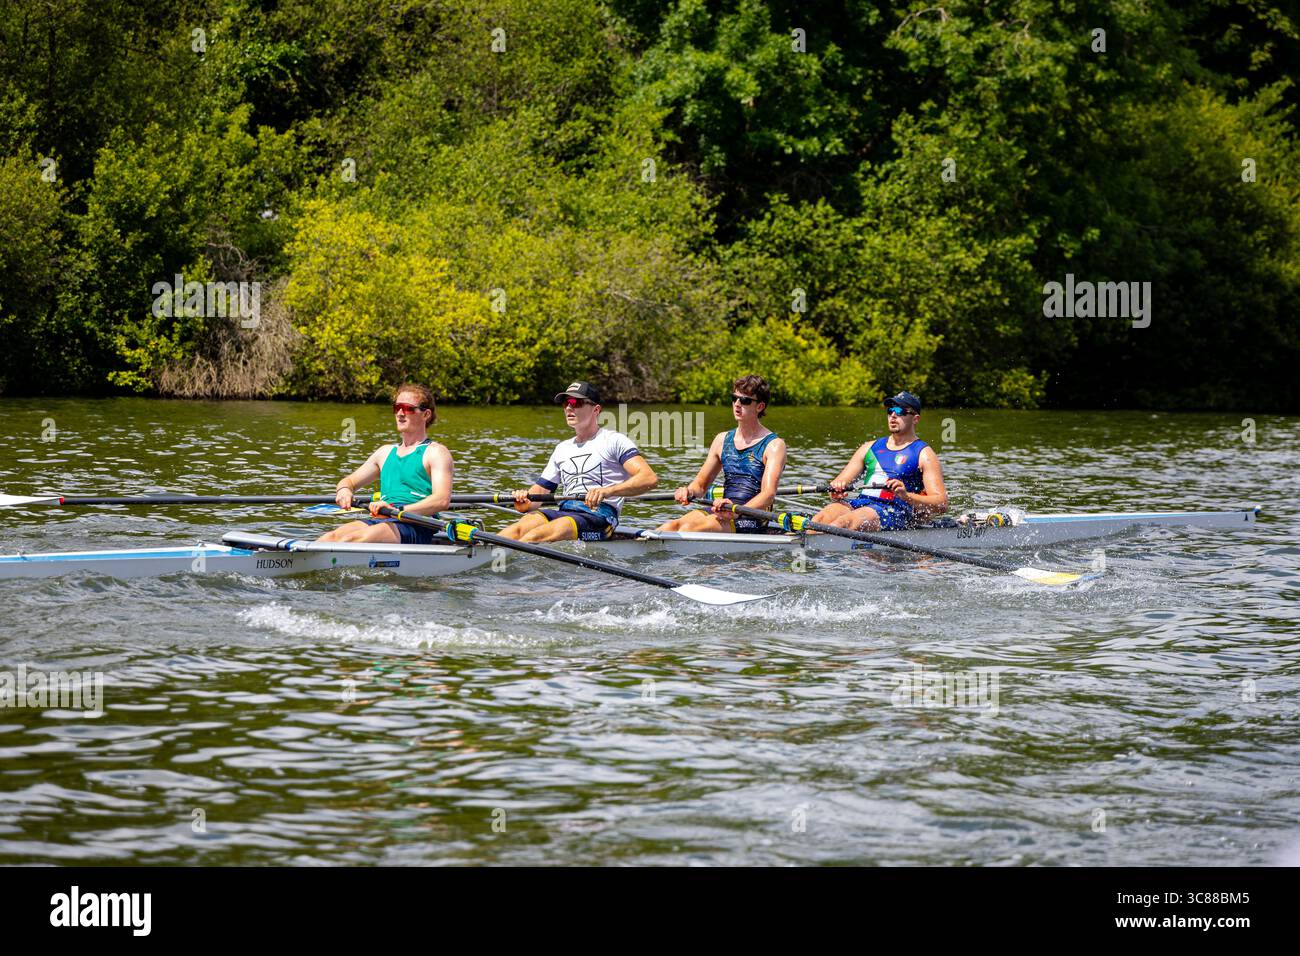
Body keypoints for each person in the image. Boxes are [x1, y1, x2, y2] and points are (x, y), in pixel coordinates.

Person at [498, 382, 657, 542]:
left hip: (600, 515)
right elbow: (540, 492)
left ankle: (510, 559)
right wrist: (524, 500)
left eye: (576, 403)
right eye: (566, 403)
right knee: (516, 530)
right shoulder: (562, 448)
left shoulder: (614, 441)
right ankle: (484, 549)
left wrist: (607, 491)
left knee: (534, 536)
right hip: (565, 510)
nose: (569, 408)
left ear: (596, 410)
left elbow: (648, 478)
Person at [318, 383, 453, 545]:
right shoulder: (384, 453)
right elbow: (349, 481)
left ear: (426, 414)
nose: (400, 413)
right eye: (397, 408)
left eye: (408, 408)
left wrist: (398, 511)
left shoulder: (436, 452)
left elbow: (441, 500)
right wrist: (344, 490)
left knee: (350, 540)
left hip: (417, 523)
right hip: (383, 518)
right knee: (329, 538)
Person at [657, 374, 787, 533]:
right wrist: (688, 491)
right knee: (670, 526)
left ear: (760, 406)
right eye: (734, 398)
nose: (737, 404)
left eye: (745, 400)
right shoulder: (722, 440)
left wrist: (737, 510)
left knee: (689, 529)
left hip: (751, 517)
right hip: (722, 508)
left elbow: (768, 495)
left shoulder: (774, 445)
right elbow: (700, 485)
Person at [812, 391, 948, 531]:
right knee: (818, 520)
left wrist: (906, 496)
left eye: (900, 411)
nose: (893, 415)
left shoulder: (924, 454)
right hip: (862, 503)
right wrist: (835, 492)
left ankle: (821, 546)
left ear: (915, 419)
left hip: (895, 510)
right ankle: (806, 547)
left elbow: (941, 504)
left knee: (840, 524)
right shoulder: (869, 448)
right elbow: (839, 483)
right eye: (890, 411)